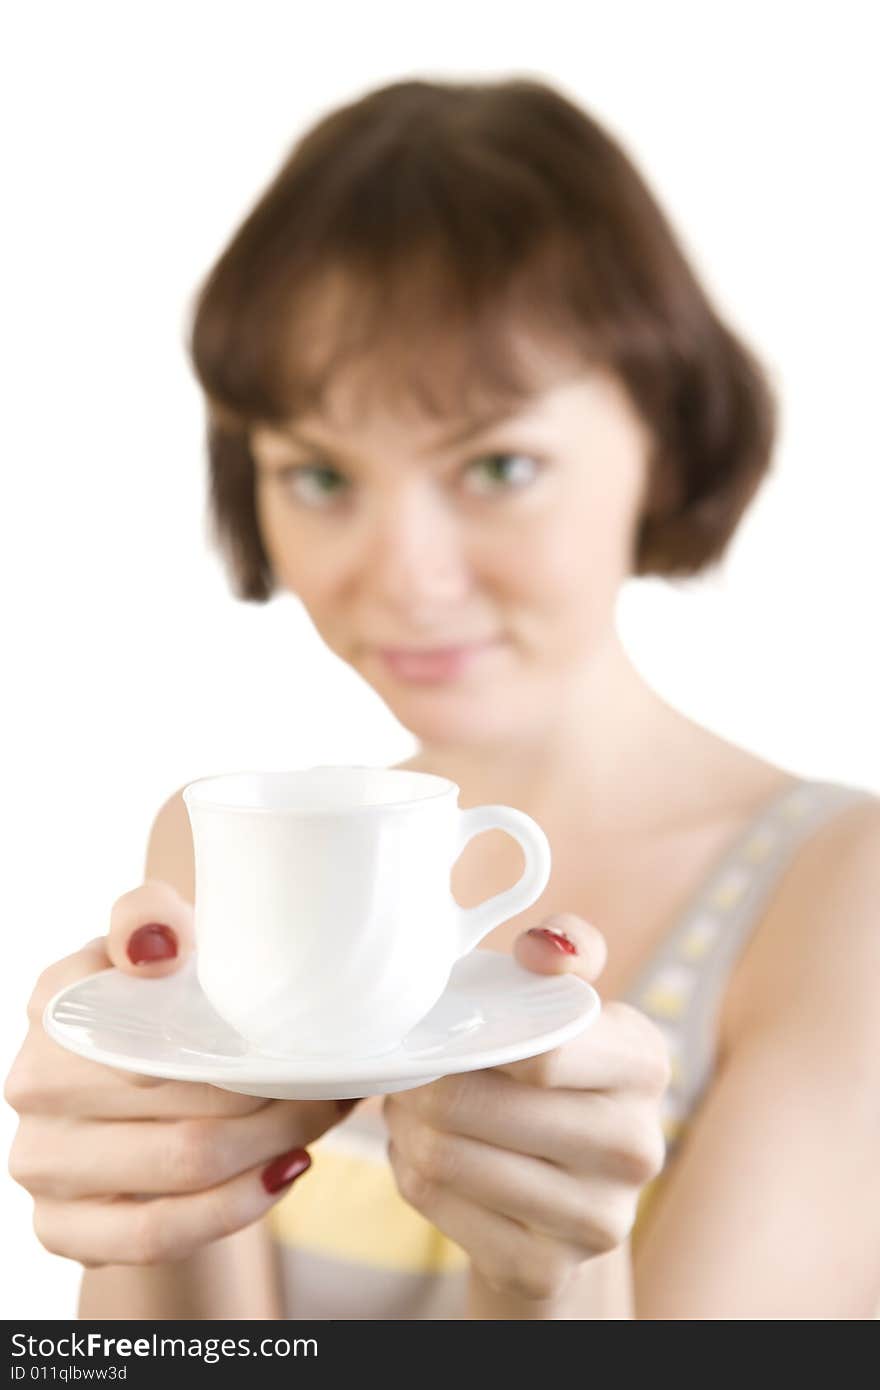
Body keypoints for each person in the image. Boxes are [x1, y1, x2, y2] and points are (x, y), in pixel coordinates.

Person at [6, 75, 880, 1321]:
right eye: (316, 472)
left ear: (666, 438)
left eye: (497, 465)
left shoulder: (842, 905)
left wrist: (559, 1277)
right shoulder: (216, 853)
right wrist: (140, 1222)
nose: (406, 576)